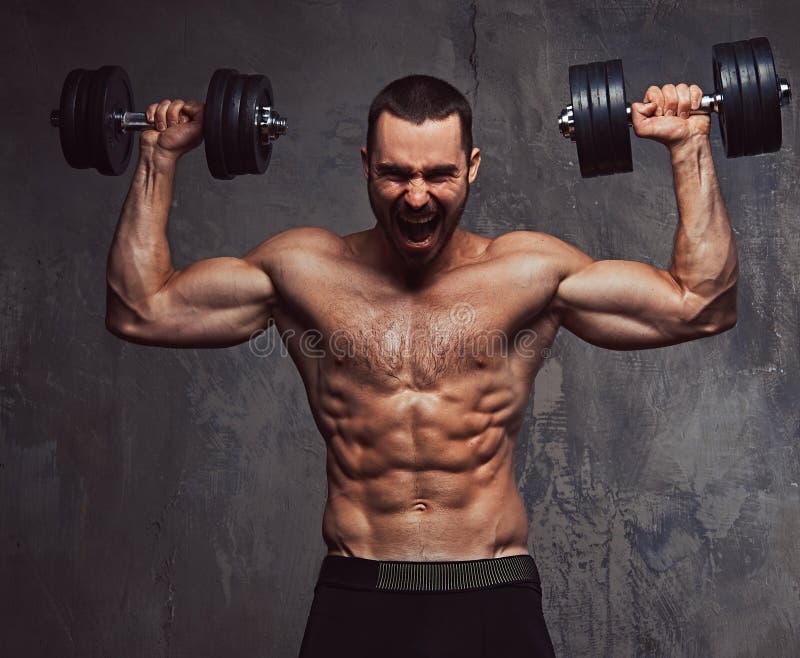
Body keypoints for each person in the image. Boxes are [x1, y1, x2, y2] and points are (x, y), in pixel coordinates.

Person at [105, 74, 737, 657]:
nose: (415, 197)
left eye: (438, 174)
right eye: (394, 173)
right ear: (365, 168)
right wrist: (158, 159)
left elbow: (700, 306)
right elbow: (142, 309)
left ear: (472, 166)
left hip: (492, 592)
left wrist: (688, 146)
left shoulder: (528, 273)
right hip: (357, 594)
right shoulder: (303, 271)